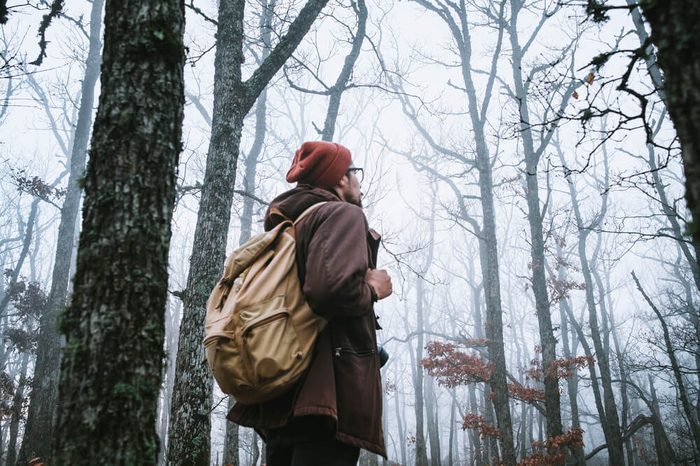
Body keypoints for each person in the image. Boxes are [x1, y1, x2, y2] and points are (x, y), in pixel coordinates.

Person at [228, 141, 393, 466]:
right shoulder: (342, 213)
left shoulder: (290, 227)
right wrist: (372, 289)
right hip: (325, 400)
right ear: (341, 178)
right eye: (354, 172)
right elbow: (329, 289)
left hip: (283, 395)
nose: (358, 180)